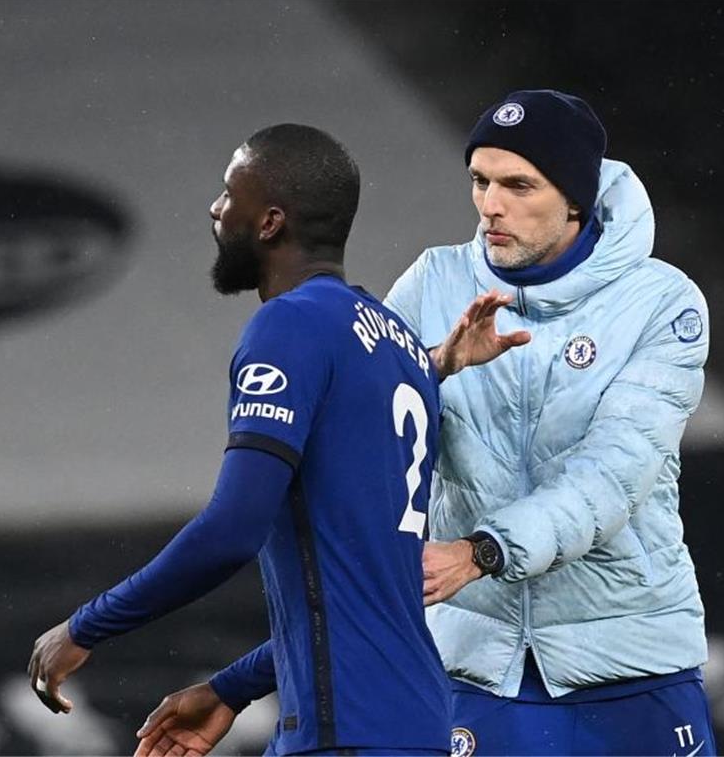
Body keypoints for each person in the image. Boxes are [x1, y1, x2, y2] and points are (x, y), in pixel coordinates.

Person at [144, 90, 717, 757]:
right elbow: (365, 540)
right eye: (480, 180)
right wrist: (237, 685)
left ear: (576, 199)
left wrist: (481, 551)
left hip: (635, 670)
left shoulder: (661, 303)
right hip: (475, 671)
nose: (490, 204)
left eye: (518, 185)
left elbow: (614, 478)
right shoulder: (432, 284)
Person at [26, 123, 514, 756]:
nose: (216, 209)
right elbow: (364, 592)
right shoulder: (399, 345)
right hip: (408, 721)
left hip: (347, 733)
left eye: (231, 194)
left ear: (270, 222)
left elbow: (233, 528)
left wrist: (87, 626)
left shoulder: (290, 325)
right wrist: (232, 687)